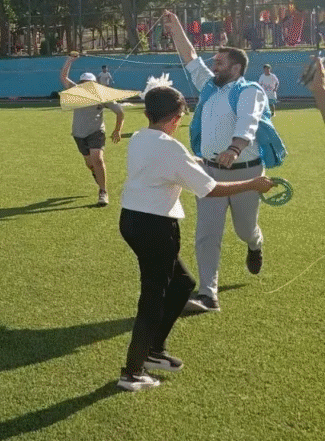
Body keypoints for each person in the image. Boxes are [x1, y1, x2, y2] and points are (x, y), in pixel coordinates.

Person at [116, 85, 274, 392]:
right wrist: (253, 183)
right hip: (155, 227)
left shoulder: (140, 137)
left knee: (182, 285)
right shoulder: (170, 148)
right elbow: (210, 189)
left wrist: (198, 162)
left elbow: (171, 162)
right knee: (153, 298)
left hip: (132, 220)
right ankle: (132, 373)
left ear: (148, 113)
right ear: (177, 118)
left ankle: (153, 351)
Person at [162, 11, 275, 313]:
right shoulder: (210, 86)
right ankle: (207, 294)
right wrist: (175, 30)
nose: (213, 66)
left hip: (246, 172)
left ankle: (255, 244)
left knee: (244, 229)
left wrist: (235, 148)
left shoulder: (250, 90)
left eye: (219, 62)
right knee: (207, 233)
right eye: (213, 62)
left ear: (236, 67)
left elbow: (249, 122)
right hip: (209, 171)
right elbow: (191, 57)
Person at [60, 55, 125, 207]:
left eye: (89, 84)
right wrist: (69, 60)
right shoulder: (75, 91)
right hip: (78, 134)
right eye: (84, 83)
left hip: (96, 132)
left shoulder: (101, 96)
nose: (86, 86)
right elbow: (63, 76)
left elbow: (120, 112)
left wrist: (117, 130)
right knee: (90, 163)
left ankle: (103, 192)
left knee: (98, 159)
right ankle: (96, 173)